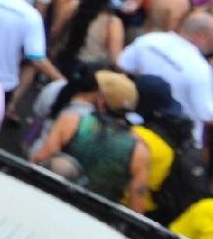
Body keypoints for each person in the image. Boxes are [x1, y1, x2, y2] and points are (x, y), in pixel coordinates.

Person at [32, 70, 149, 207]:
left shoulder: (72, 121)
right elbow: (136, 205)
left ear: (101, 100)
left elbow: (39, 159)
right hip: (95, 215)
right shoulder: (139, 150)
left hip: (53, 200)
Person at [118, 12, 213, 148]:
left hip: (133, 124)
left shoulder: (151, 40)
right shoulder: (200, 68)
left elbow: (122, 64)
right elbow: (206, 114)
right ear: (202, 36)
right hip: (175, 141)